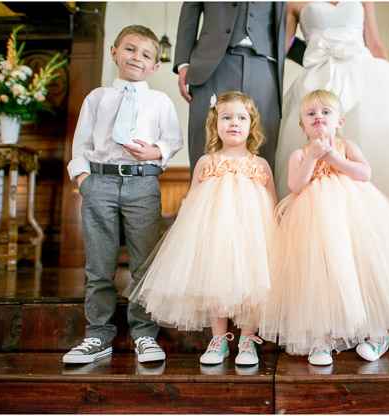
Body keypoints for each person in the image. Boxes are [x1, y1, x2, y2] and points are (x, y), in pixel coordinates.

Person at [260, 90, 389, 366]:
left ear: (339, 121)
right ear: (301, 125)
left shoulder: (347, 146)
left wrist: (332, 157)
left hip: (353, 214)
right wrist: (313, 157)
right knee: (320, 273)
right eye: (310, 114)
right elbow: (296, 185)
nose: (318, 117)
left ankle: (377, 331)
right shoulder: (300, 153)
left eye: (326, 112)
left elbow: (364, 174)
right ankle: (321, 336)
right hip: (312, 223)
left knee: (363, 269)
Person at [272, 1, 389, 255]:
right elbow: (282, 47)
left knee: (382, 150)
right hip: (317, 79)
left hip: (364, 75)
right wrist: (314, 52)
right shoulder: (294, 2)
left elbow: (373, 42)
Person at [64, 25, 183, 365]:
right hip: (99, 183)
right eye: (130, 49)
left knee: (144, 264)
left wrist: (155, 151)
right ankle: (98, 335)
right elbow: (81, 145)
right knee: (99, 266)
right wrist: (84, 179)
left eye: (146, 54)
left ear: (155, 66)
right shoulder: (97, 97)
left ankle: (144, 334)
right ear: (114, 52)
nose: (136, 58)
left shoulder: (159, 101)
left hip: (142, 185)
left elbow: (173, 140)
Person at [131, 91, 278, 366]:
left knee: (254, 285)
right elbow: (192, 203)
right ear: (215, 123)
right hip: (216, 236)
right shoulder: (206, 162)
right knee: (216, 281)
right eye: (226, 117)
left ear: (251, 124)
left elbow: (272, 201)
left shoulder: (260, 164)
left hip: (254, 238)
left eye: (241, 118)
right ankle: (219, 339)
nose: (234, 123)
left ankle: (247, 339)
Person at [174, 2, 286, 174]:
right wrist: (183, 63)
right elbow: (191, 7)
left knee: (263, 144)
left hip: (264, 64)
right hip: (213, 64)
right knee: (206, 143)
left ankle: (261, 200)